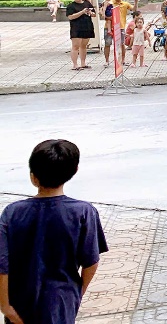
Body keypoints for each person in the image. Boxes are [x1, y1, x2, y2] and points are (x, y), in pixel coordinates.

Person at [0, 139, 107, 324]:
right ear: (74, 171)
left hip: (20, 305)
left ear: (33, 177)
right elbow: (91, 261)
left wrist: (6, 306)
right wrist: (76, 294)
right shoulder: (83, 212)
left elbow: (2, 264)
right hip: (61, 303)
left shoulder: (12, 212)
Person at [65, 0, 95, 71]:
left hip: (87, 26)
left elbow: (94, 13)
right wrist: (82, 12)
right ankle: (75, 64)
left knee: (84, 46)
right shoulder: (71, 6)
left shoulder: (87, 3)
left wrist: (90, 13)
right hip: (76, 28)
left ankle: (83, 63)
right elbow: (70, 17)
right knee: (75, 46)